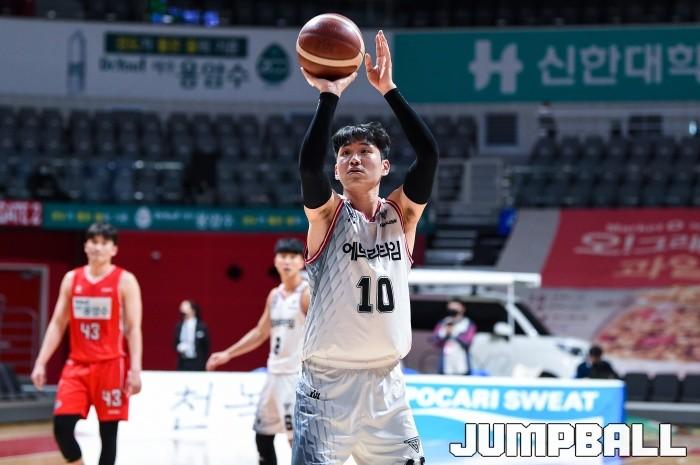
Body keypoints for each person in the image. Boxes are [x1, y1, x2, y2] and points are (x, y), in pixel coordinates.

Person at [293, 30, 438, 465]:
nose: (354, 158)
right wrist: (329, 95)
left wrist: (389, 91)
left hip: (387, 385)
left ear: (385, 165)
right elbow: (308, 166)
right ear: (336, 171)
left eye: (365, 151)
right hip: (327, 386)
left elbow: (429, 156)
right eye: (344, 154)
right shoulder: (327, 216)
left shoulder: (402, 216)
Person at [30, 222, 143, 465]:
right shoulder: (72, 279)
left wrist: (135, 369)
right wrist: (41, 362)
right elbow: (58, 323)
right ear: (85, 245)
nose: (98, 247)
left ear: (114, 249)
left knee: (108, 435)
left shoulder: (125, 281)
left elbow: (133, 329)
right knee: (62, 427)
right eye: (93, 241)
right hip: (77, 365)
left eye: (104, 243)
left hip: (110, 365)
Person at [206, 237, 309, 465]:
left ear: (301, 262)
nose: (287, 261)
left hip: (296, 376)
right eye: (283, 256)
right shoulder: (274, 295)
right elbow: (260, 333)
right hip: (274, 375)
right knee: (263, 435)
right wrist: (228, 353)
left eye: (292, 257)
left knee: (296, 440)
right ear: (275, 261)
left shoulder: (306, 294)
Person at [430, 299, 477, 375]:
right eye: (451, 308)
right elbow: (435, 341)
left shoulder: (468, 323)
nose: (453, 311)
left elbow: (467, 342)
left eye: (456, 308)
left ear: (462, 308)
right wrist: (444, 333)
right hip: (446, 364)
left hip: (462, 365)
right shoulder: (443, 322)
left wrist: (454, 332)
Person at [174, 299, 210, 371]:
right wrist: (179, 347)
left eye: (187, 308)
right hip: (183, 362)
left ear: (193, 310)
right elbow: (175, 342)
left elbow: (206, 346)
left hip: (198, 362)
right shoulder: (179, 326)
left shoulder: (201, 326)